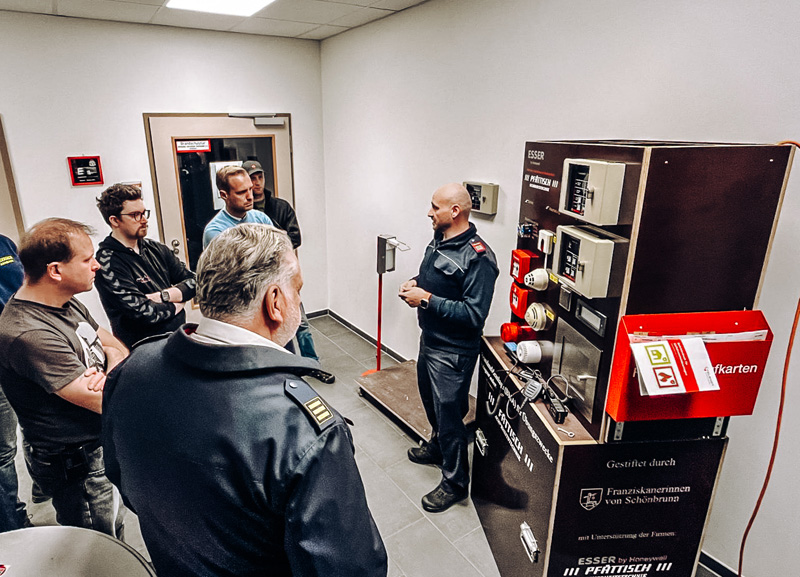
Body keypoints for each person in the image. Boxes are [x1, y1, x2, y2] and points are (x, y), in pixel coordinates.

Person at [102, 224, 387, 576]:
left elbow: (121, 476)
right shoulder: (301, 429)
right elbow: (347, 568)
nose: (298, 300)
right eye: (297, 290)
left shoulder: (134, 367)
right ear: (275, 303)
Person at [0, 219, 128, 537]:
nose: (96, 265)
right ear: (56, 271)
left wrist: (107, 371)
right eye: (86, 259)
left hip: (99, 448)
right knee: (97, 546)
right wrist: (111, 377)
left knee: (115, 528)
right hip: (79, 466)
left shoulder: (64, 303)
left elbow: (116, 347)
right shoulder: (28, 332)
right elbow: (104, 401)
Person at [399, 182, 498, 513]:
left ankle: (456, 483)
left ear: (455, 211)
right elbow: (438, 279)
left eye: (435, 207)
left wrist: (425, 299)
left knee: (451, 416)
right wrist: (418, 282)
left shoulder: (479, 258)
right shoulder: (440, 239)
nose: (429, 212)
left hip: (454, 351)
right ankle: (438, 447)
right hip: (431, 340)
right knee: (431, 402)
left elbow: (473, 314)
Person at [242, 159, 333, 384]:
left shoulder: (281, 207)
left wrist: (270, 241)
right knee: (264, 327)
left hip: (283, 277)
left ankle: (312, 364)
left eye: (259, 177)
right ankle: (281, 370)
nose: (257, 183)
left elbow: (295, 238)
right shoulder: (245, 210)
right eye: (251, 179)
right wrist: (276, 236)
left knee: (300, 323)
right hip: (258, 281)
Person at [94, 183, 196, 348]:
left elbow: (195, 282)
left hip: (176, 341)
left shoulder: (156, 248)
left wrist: (163, 296)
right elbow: (144, 313)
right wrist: (179, 302)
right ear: (114, 220)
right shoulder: (107, 263)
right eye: (135, 215)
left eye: (144, 213)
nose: (144, 220)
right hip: (142, 350)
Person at [0, 234, 27, 532]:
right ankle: (12, 526)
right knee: (3, 452)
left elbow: (22, 288)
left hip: (19, 349)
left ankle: (39, 488)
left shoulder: (3, 244)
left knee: (32, 430)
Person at [202, 165, 273, 248]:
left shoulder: (262, 219)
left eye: (250, 189)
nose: (250, 197)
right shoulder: (216, 231)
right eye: (241, 192)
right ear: (224, 195)